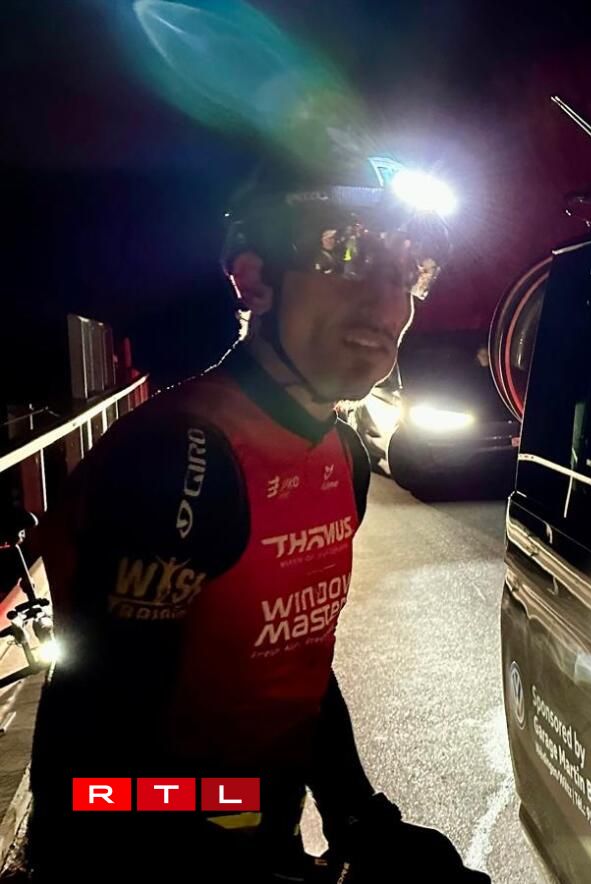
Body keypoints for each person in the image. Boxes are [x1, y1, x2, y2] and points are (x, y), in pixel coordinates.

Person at [26, 150, 483, 883]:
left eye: (408, 272)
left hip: (257, 833)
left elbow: (296, 665)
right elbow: (94, 776)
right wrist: (249, 840)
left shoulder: (341, 454)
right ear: (253, 278)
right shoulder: (181, 458)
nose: (387, 303)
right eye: (345, 253)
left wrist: (359, 818)